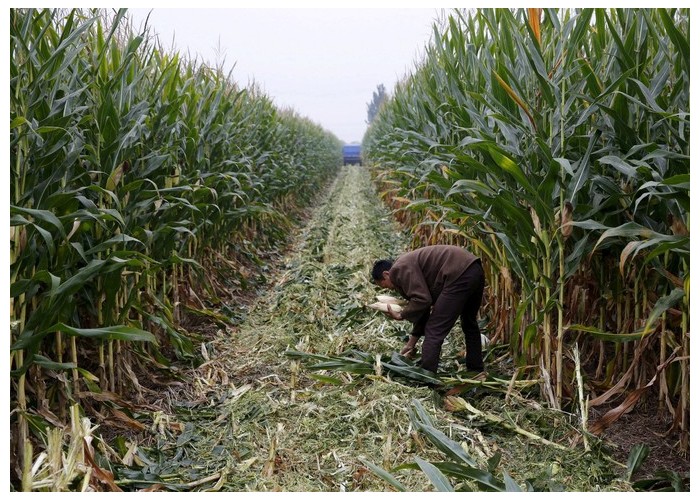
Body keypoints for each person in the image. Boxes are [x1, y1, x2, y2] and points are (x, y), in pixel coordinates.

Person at [371, 245, 485, 374]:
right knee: (469, 323)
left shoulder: (398, 269)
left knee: (434, 330)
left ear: (386, 274)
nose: (387, 289)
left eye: (383, 285)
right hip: (474, 268)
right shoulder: (406, 266)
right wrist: (411, 344)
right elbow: (422, 308)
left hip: (458, 274)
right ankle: (476, 370)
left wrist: (401, 314)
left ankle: (427, 376)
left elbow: (423, 300)